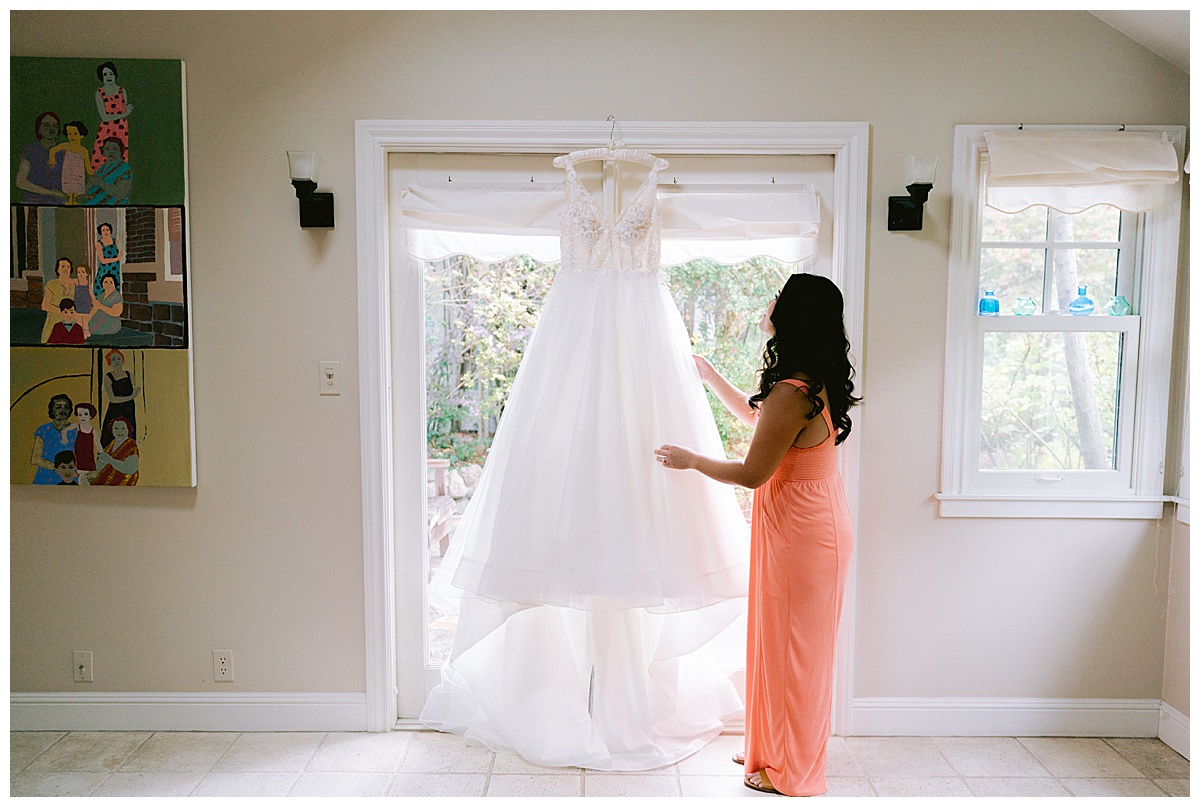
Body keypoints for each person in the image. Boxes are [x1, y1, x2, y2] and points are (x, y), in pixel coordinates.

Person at [420, 148, 750, 770]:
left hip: (642, 359)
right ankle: (558, 703)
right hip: (571, 354)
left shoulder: (641, 186)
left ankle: (626, 707)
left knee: (637, 531)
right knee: (564, 527)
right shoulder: (579, 182)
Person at [655, 273, 860, 797]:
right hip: (801, 526)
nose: (768, 302)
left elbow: (752, 473)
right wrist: (710, 374)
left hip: (803, 534)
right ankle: (771, 746)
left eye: (777, 296)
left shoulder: (794, 392)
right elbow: (758, 416)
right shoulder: (804, 382)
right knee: (775, 640)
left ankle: (794, 770)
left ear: (794, 315)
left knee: (798, 654)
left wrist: (691, 460)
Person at [16, 111, 66, 204]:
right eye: (46, 125)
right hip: (32, 202)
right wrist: (50, 193)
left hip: (59, 203)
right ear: (39, 129)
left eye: (55, 125)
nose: (51, 129)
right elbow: (20, 182)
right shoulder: (30, 151)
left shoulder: (64, 152)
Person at [91, 61, 132, 171]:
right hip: (106, 129)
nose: (108, 77)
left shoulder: (121, 90)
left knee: (120, 154)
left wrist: (124, 114)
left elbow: (123, 109)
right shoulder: (99, 92)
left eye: (110, 73)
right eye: (105, 74)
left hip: (121, 129)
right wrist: (124, 114)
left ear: (115, 75)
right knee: (103, 155)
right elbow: (104, 117)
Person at [30, 393, 77, 485]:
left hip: (69, 479)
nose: (63, 410)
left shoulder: (76, 430)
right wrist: (58, 468)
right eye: (59, 407)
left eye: (66, 407)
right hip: (45, 478)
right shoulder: (43, 430)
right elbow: (35, 459)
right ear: (52, 410)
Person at [47, 120, 93, 205]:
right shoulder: (66, 146)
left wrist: (91, 174)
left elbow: (88, 166)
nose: (72, 137)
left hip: (79, 177)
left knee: (77, 198)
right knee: (67, 197)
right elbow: (53, 150)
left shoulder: (84, 151)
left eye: (75, 134)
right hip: (67, 175)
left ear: (81, 135)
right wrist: (52, 159)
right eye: (70, 134)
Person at [100, 349, 139, 448]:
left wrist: (134, 392)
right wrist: (131, 397)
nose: (116, 361)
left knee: (128, 434)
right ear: (109, 362)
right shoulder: (108, 377)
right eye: (113, 359)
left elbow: (133, 388)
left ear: (123, 360)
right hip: (115, 410)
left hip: (128, 409)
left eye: (118, 358)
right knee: (112, 436)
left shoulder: (129, 374)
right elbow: (112, 398)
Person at [85, 137, 133, 205]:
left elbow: (122, 194)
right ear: (103, 152)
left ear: (121, 151)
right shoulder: (102, 167)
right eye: (107, 149)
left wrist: (101, 183)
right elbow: (92, 182)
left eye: (115, 149)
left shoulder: (124, 169)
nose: (111, 152)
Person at [93, 417, 139, 486]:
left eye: (123, 428)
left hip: (123, 482)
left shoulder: (131, 445)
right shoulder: (112, 444)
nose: (120, 432)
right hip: (106, 481)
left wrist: (109, 460)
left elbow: (130, 469)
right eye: (116, 428)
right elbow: (99, 466)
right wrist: (102, 461)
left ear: (128, 429)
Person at [40, 257, 76, 343]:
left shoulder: (75, 284)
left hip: (71, 319)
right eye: (63, 267)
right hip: (54, 318)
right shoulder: (52, 284)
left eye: (68, 267)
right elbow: (45, 305)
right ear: (58, 269)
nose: (66, 269)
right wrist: (62, 312)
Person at [87, 274, 123, 338]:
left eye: (111, 282)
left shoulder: (117, 297)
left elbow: (116, 313)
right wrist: (86, 321)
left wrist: (101, 306)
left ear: (114, 284)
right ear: (102, 284)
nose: (108, 284)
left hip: (111, 324)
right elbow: (94, 310)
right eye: (105, 282)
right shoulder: (100, 296)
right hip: (98, 321)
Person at [72, 402, 100, 481]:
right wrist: (64, 438)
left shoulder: (93, 430)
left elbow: (98, 444)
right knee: (79, 478)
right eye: (80, 415)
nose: (82, 417)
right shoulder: (77, 427)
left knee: (88, 479)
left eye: (86, 414)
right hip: (78, 457)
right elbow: (65, 430)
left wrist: (101, 453)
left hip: (89, 457)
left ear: (91, 415)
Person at [94, 222, 121, 298]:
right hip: (104, 269)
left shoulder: (116, 241)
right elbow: (102, 260)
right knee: (102, 287)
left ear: (110, 231)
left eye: (107, 230)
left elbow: (120, 254)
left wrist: (118, 259)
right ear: (101, 232)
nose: (106, 232)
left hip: (115, 269)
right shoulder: (99, 243)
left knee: (114, 287)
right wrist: (116, 259)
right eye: (103, 230)